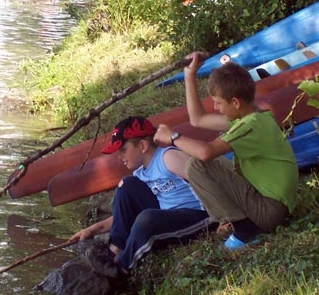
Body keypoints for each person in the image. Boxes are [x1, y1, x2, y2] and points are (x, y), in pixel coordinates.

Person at [154, 52, 298, 249]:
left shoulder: (250, 126)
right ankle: (240, 221)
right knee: (205, 162)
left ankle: (244, 228)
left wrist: (173, 137)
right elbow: (198, 119)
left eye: (218, 103)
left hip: (269, 211)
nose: (215, 107)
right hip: (271, 202)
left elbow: (205, 152)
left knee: (196, 164)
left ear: (236, 102)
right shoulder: (253, 117)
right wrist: (189, 75)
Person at [67, 116, 213, 275]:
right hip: (169, 215)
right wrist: (93, 229)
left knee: (147, 219)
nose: (119, 156)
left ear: (143, 145)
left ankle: (120, 270)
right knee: (126, 185)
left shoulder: (168, 158)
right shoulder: (140, 175)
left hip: (200, 215)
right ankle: (113, 251)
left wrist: (227, 218)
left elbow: (209, 180)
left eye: (123, 150)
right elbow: (123, 216)